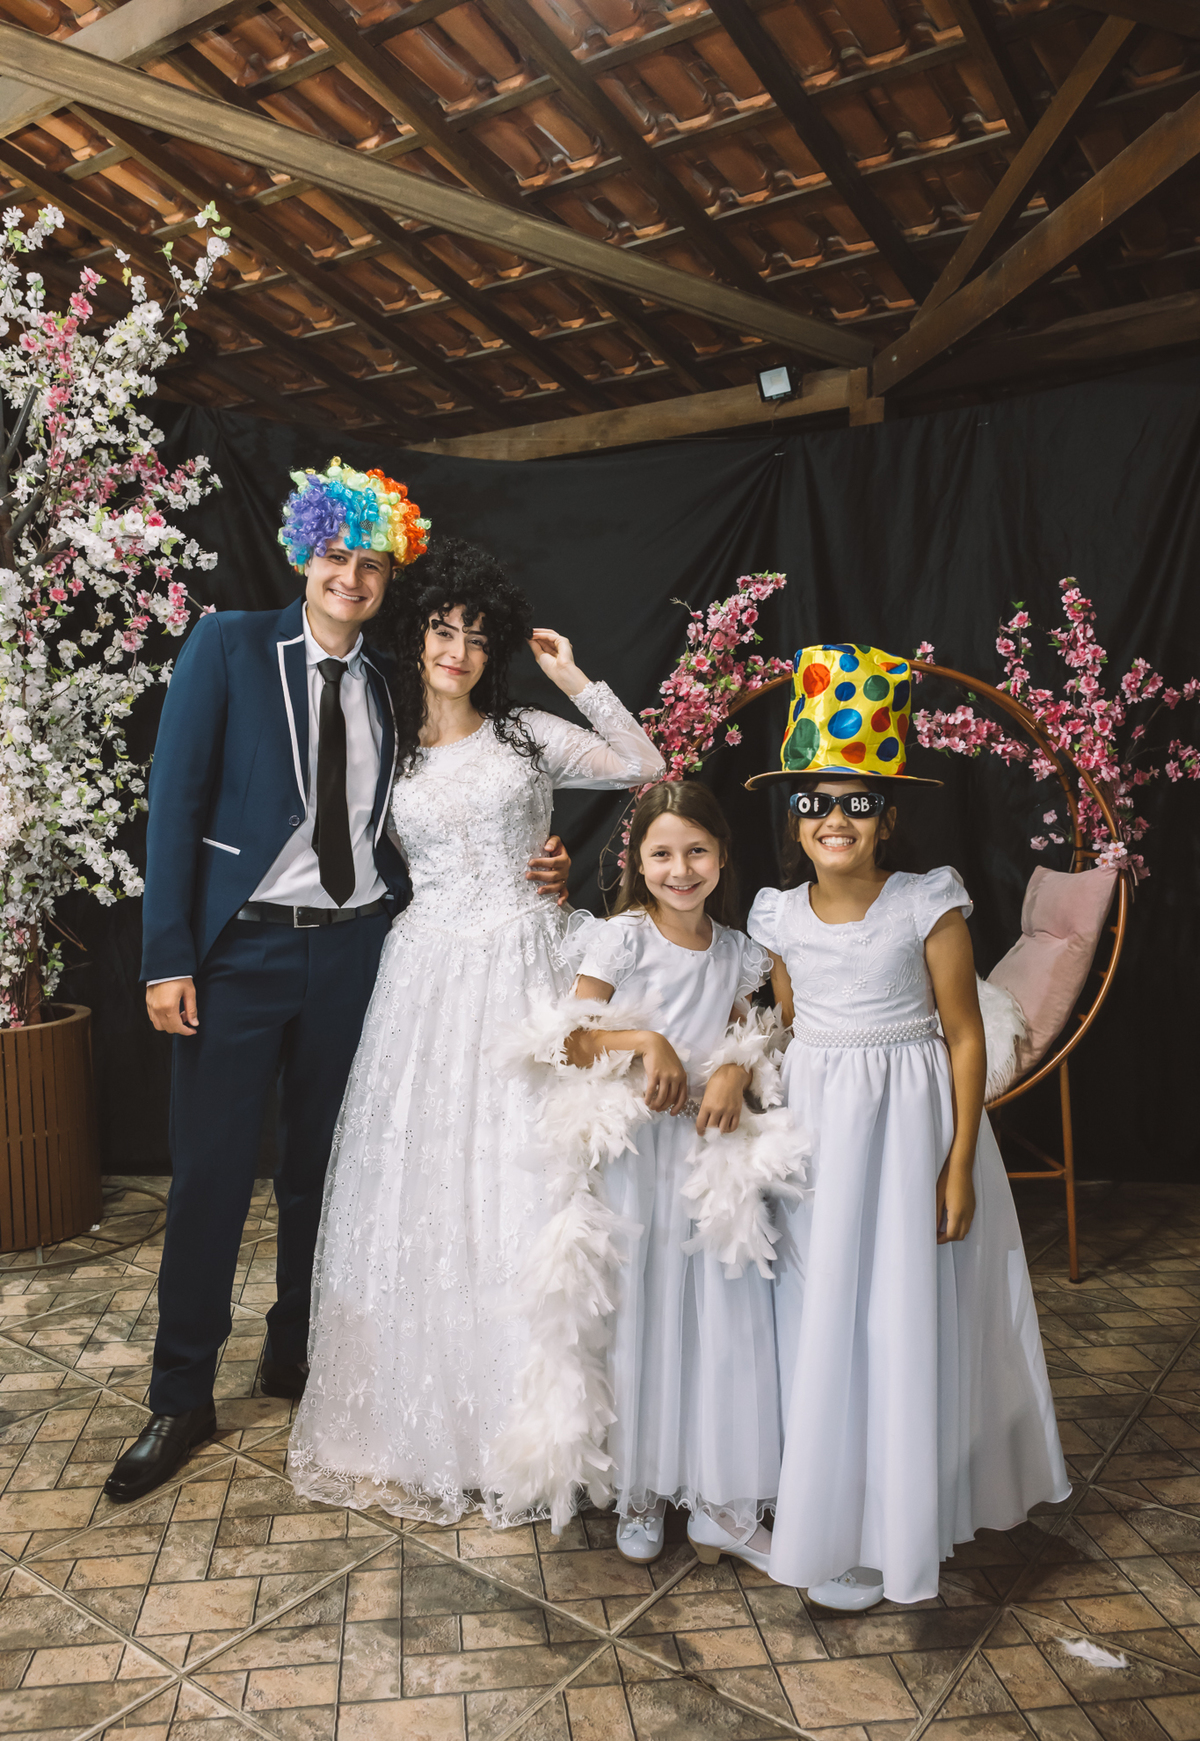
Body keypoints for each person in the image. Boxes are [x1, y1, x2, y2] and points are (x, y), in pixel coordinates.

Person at [105, 463, 570, 1504]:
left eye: (370, 565)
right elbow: (175, 806)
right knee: (212, 1174)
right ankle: (180, 1396)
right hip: (239, 954)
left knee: (328, 1170)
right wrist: (168, 956)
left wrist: (543, 856)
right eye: (333, 557)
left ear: (388, 577)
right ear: (301, 555)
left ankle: (296, 1352)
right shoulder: (229, 646)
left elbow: (471, 793)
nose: (350, 578)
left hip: (361, 951)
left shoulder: (400, 682)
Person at [286, 536, 665, 1523]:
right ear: (416, 636)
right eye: (443, 629)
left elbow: (645, 764)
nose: (457, 650)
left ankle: (539, 1429)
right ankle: (432, 1422)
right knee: (421, 1185)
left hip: (524, 964)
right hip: (426, 976)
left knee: (526, 1179)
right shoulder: (386, 744)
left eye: (476, 635)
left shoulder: (529, 735)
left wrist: (572, 675)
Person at [745, 643, 1070, 1608]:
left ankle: (903, 1523)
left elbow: (965, 1037)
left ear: (887, 818)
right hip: (820, 1138)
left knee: (901, 1313)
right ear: (795, 819)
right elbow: (790, 1025)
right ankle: (833, 1512)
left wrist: (958, 1164)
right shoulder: (778, 918)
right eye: (816, 802)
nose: (834, 819)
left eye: (857, 803)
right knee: (823, 1316)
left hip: (911, 1133)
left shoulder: (929, 904)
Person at [494, 781, 805, 1568]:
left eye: (697, 851)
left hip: (706, 1155)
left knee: (718, 1320)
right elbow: (568, 1041)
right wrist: (646, 1041)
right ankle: (641, 1490)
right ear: (638, 861)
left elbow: (768, 1030)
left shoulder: (738, 952)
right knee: (643, 1317)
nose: (680, 869)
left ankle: (720, 1501)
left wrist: (738, 1063)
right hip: (636, 1157)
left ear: (722, 856)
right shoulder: (622, 939)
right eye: (662, 854)